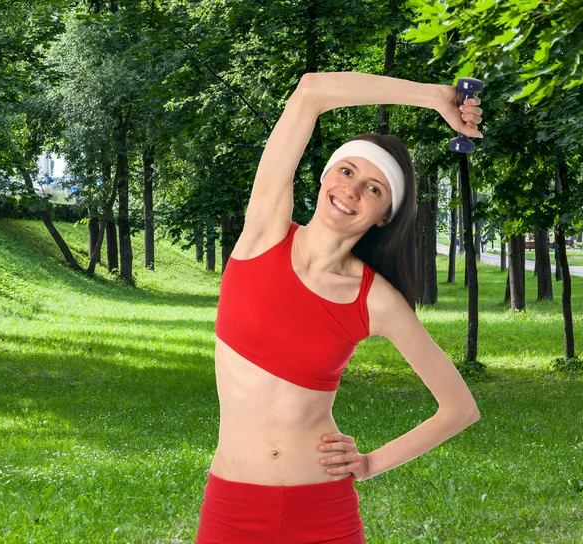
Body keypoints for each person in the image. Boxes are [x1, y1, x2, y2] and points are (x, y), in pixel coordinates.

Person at [196, 72, 483, 543]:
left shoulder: (376, 299)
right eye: (347, 171)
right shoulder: (263, 232)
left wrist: (370, 463)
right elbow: (310, 91)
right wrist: (435, 98)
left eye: (374, 188)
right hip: (233, 508)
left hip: (322, 513)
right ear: (327, 174)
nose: (351, 190)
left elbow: (459, 407)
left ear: (385, 214)